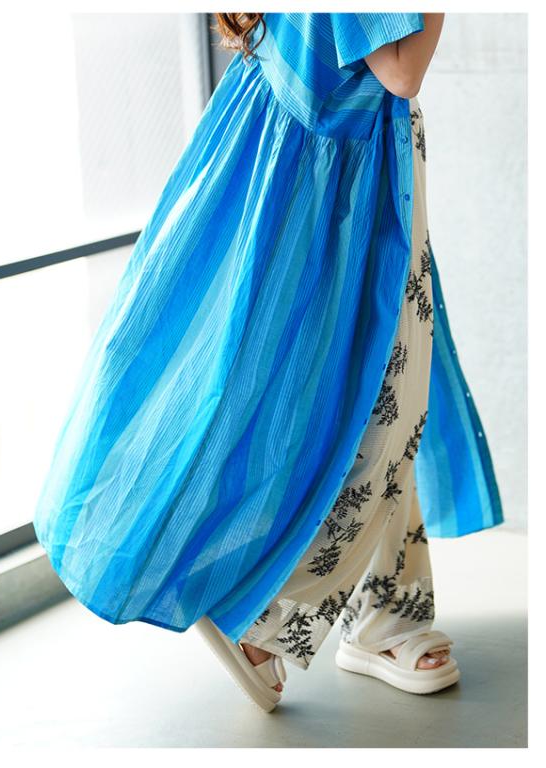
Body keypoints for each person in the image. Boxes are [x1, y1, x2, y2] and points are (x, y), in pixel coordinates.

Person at [33, 12, 504, 714]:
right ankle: (268, 614)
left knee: (369, 387)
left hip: (295, 143)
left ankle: (383, 613)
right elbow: (401, 70)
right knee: (371, 400)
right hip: (328, 169)